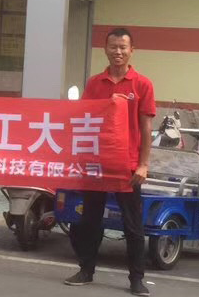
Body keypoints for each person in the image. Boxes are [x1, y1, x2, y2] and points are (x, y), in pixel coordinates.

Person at [65, 27, 156, 297]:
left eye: (123, 47)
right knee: (89, 220)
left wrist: (143, 164)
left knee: (133, 225)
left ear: (131, 51)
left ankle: (136, 279)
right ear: (105, 49)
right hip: (97, 164)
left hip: (128, 166)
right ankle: (86, 270)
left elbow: (146, 128)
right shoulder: (95, 84)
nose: (118, 52)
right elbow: (85, 120)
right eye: (113, 47)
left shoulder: (142, 84)